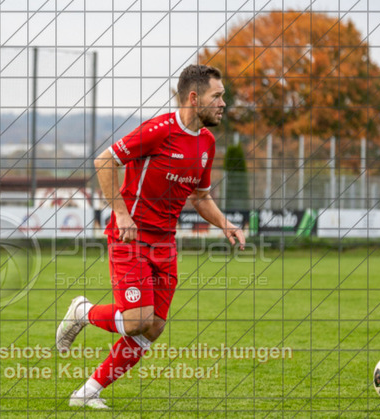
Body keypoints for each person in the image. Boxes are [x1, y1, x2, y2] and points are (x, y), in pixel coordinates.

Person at [56, 64, 246, 409]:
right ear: (194, 98)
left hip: (164, 243)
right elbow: (105, 161)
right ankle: (83, 312)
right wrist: (121, 212)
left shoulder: (206, 142)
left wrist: (225, 223)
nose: (223, 103)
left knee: (153, 327)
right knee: (136, 321)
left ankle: (86, 394)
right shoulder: (158, 130)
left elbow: (200, 197)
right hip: (131, 238)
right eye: (217, 96)